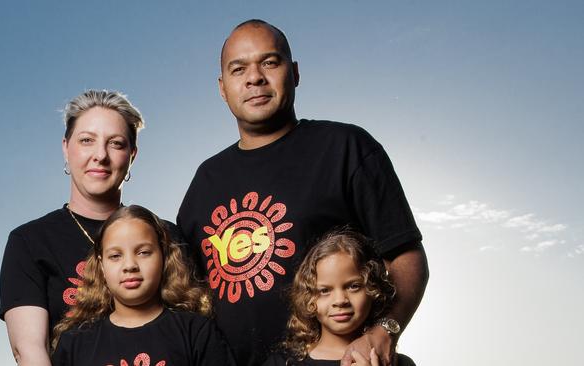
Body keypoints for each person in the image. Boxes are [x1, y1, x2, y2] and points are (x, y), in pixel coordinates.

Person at [177, 19, 429, 366]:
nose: (254, 78)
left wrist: (385, 330)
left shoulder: (345, 148)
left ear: (293, 73)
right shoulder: (205, 179)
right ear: (222, 87)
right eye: (239, 69)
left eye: (269, 62)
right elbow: (185, 293)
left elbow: (406, 257)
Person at [0, 90, 147, 365]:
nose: (100, 155)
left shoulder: (165, 237)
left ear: (132, 155)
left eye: (115, 143)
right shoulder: (29, 243)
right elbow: (29, 351)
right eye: (87, 141)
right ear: (66, 148)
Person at [51, 205, 235, 366]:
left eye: (144, 252)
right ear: (102, 266)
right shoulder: (74, 344)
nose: (130, 265)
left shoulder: (196, 332)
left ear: (163, 257)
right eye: (115, 256)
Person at [262, 229, 415, 366]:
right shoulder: (281, 362)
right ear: (308, 297)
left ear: (373, 290)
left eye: (353, 286)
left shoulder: (397, 363)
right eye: (324, 290)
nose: (340, 300)